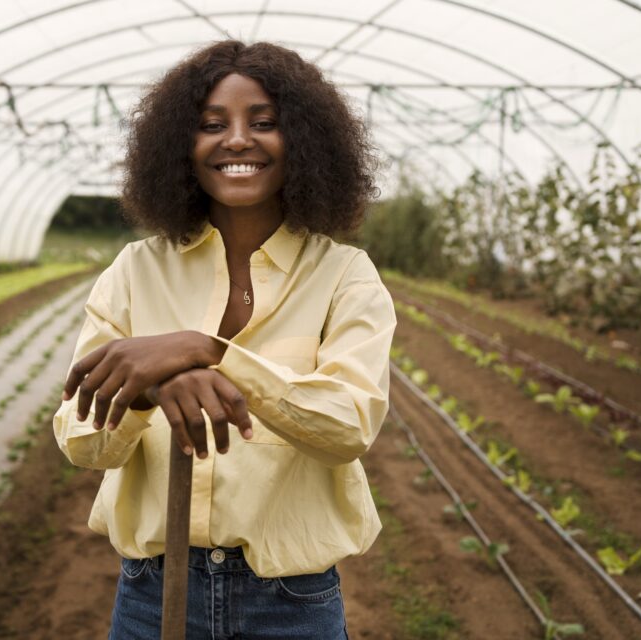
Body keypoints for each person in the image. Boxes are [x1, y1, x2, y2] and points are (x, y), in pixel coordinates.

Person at [53, 39, 396, 639]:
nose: (237, 140)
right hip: (151, 596)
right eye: (212, 125)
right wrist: (143, 393)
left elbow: (348, 425)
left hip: (291, 604)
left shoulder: (344, 274)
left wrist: (210, 352)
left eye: (264, 123)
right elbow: (83, 443)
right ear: (182, 147)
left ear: (305, 143)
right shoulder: (135, 271)